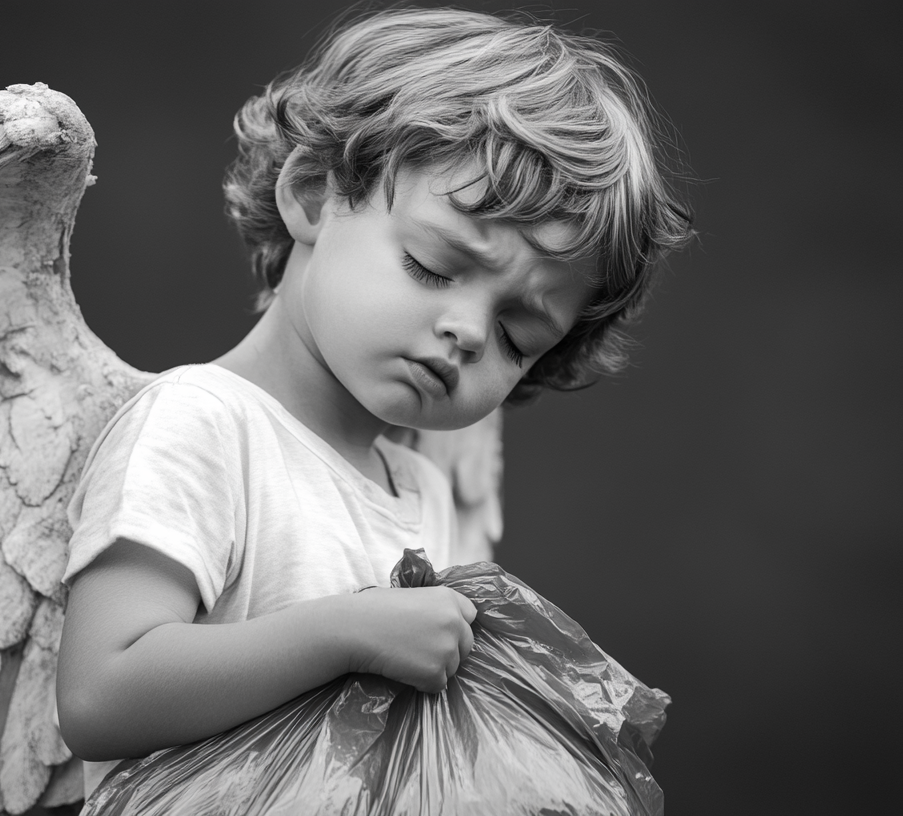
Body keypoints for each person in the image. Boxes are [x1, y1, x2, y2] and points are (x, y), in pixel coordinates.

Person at [54, 5, 693, 796]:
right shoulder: (203, 424)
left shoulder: (420, 489)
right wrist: (346, 633)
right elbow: (98, 695)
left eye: (517, 337)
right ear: (315, 196)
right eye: (432, 265)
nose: (466, 331)